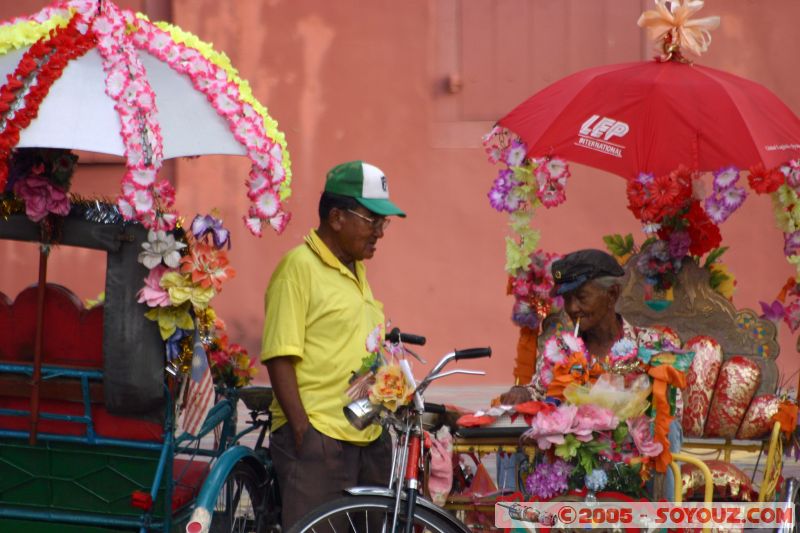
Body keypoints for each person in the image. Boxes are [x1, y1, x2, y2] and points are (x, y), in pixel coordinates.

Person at [261, 160, 406, 528]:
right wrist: (304, 434)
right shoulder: (298, 268)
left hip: (364, 432)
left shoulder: (355, 269)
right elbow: (279, 356)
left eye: (382, 223)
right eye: (372, 221)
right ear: (337, 217)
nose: (380, 233)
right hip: (319, 439)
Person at [499, 249, 683, 499]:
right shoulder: (562, 349)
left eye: (582, 297)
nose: (573, 308)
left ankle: (662, 523)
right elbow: (540, 392)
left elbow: (673, 408)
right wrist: (522, 393)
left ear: (612, 294)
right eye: (567, 299)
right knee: (514, 432)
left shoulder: (649, 345)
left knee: (666, 429)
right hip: (572, 462)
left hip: (633, 463)